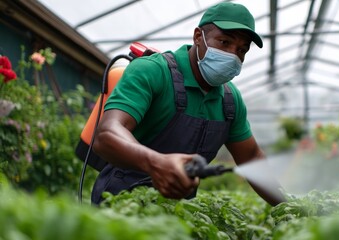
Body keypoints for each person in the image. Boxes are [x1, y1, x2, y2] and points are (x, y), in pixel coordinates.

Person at [91, 2, 284, 206]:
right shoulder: (153, 71)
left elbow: (251, 157)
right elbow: (107, 134)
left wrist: (291, 209)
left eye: (242, 50)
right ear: (198, 37)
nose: (233, 56)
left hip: (178, 213)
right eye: (225, 42)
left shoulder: (230, 100)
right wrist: (157, 163)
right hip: (120, 204)